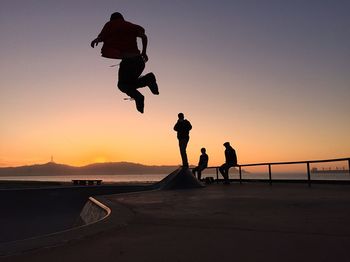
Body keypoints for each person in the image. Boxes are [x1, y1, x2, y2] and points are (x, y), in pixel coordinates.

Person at [90, 12, 159, 113]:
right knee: (129, 83)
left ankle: (140, 93)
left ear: (112, 19)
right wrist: (144, 52)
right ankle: (148, 79)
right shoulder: (130, 26)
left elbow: (103, 36)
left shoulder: (110, 25)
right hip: (139, 61)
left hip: (128, 63)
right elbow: (144, 36)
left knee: (122, 85)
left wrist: (98, 39)